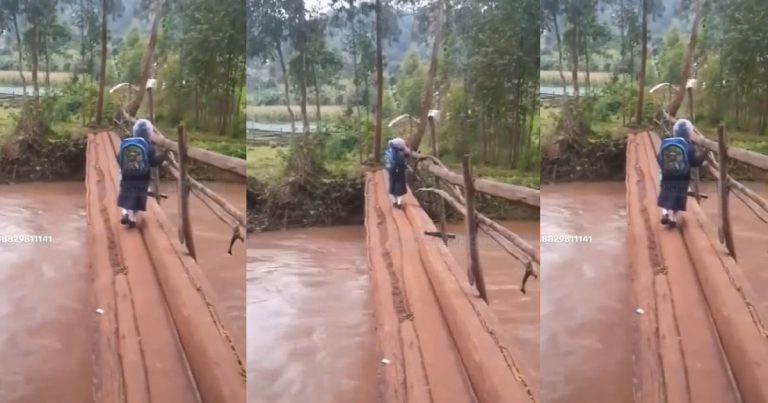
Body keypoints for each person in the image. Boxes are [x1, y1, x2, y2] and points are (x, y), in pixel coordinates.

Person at [117, 119, 164, 228]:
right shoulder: (148, 146)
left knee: (126, 194)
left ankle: (125, 213)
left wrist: (125, 169)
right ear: (148, 133)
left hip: (127, 175)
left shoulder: (126, 142)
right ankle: (133, 219)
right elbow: (153, 163)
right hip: (142, 177)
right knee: (138, 196)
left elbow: (119, 158)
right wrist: (163, 157)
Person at [657, 118, 704, 228]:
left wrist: (665, 169)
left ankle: (665, 213)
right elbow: (693, 162)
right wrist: (703, 157)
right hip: (682, 177)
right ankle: (673, 217)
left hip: (667, 175)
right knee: (679, 196)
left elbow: (659, 158)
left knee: (666, 194)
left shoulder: (667, 142)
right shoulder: (689, 146)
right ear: (689, 132)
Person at [384, 137, 410, 209]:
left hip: (391, 170)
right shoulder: (400, 153)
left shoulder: (388, 151)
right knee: (400, 185)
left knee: (392, 183)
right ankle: (399, 203)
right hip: (399, 170)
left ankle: (394, 202)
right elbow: (407, 153)